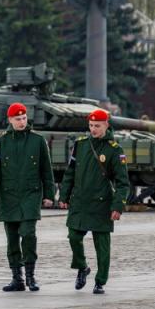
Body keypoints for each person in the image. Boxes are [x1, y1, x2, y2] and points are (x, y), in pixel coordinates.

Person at [0, 102, 56, 293]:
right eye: (18, 119)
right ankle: (17, 279)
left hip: (31, 195)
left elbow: (46, 171)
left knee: (28, 233)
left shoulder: (37, 141)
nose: (22, 122)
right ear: (10, 120)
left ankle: (31, 276)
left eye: (24, 118)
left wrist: (49, 194)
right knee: (12, 239)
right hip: (8, 196)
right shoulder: (0, 142)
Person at [58, 108, 130, 295]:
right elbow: (70, 172)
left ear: (106, 125)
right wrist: (64, 196)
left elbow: (123, 182)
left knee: (102, 246)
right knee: (74, 237)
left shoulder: (115, 150)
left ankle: (100, 282)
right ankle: (82, 267)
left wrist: (118, 206)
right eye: (91, 126)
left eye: (97, 126)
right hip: (80, 202)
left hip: (101, 203)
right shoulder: (81, 145)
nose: (93, 129)